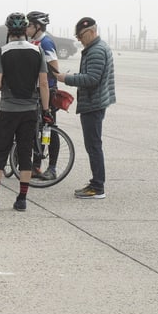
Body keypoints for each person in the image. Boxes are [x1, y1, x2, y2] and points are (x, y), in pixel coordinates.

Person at [0, 12, 49, 212]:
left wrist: (3, 84)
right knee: (25, 153)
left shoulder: (2, 51)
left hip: (7, 109)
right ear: (25, 30)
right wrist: (46, 111)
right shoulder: (37, 51)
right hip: (30, 110)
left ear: (8, 30)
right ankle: (21, 199)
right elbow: (44, 83)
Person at [55, 17, 116, 199]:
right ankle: (96, 183)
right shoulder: (96, 48)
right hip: (95, 102)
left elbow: (91, 79)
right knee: (93, 145)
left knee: (94, 145)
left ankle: (97, 187)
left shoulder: (96, 51)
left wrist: (65, 78)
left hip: (93, 104)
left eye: (81, 36)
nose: (79, 40)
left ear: (91, 32)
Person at [25, 11, 62, 180]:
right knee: (36, 129)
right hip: (35, 91)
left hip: (47, 91)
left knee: (49, 129)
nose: (27, 28)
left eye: (30, 25)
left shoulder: (46, 43)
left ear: (38, 27)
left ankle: (52, 168)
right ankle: (35, 166)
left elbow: (54, 68)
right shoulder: (32, 41)